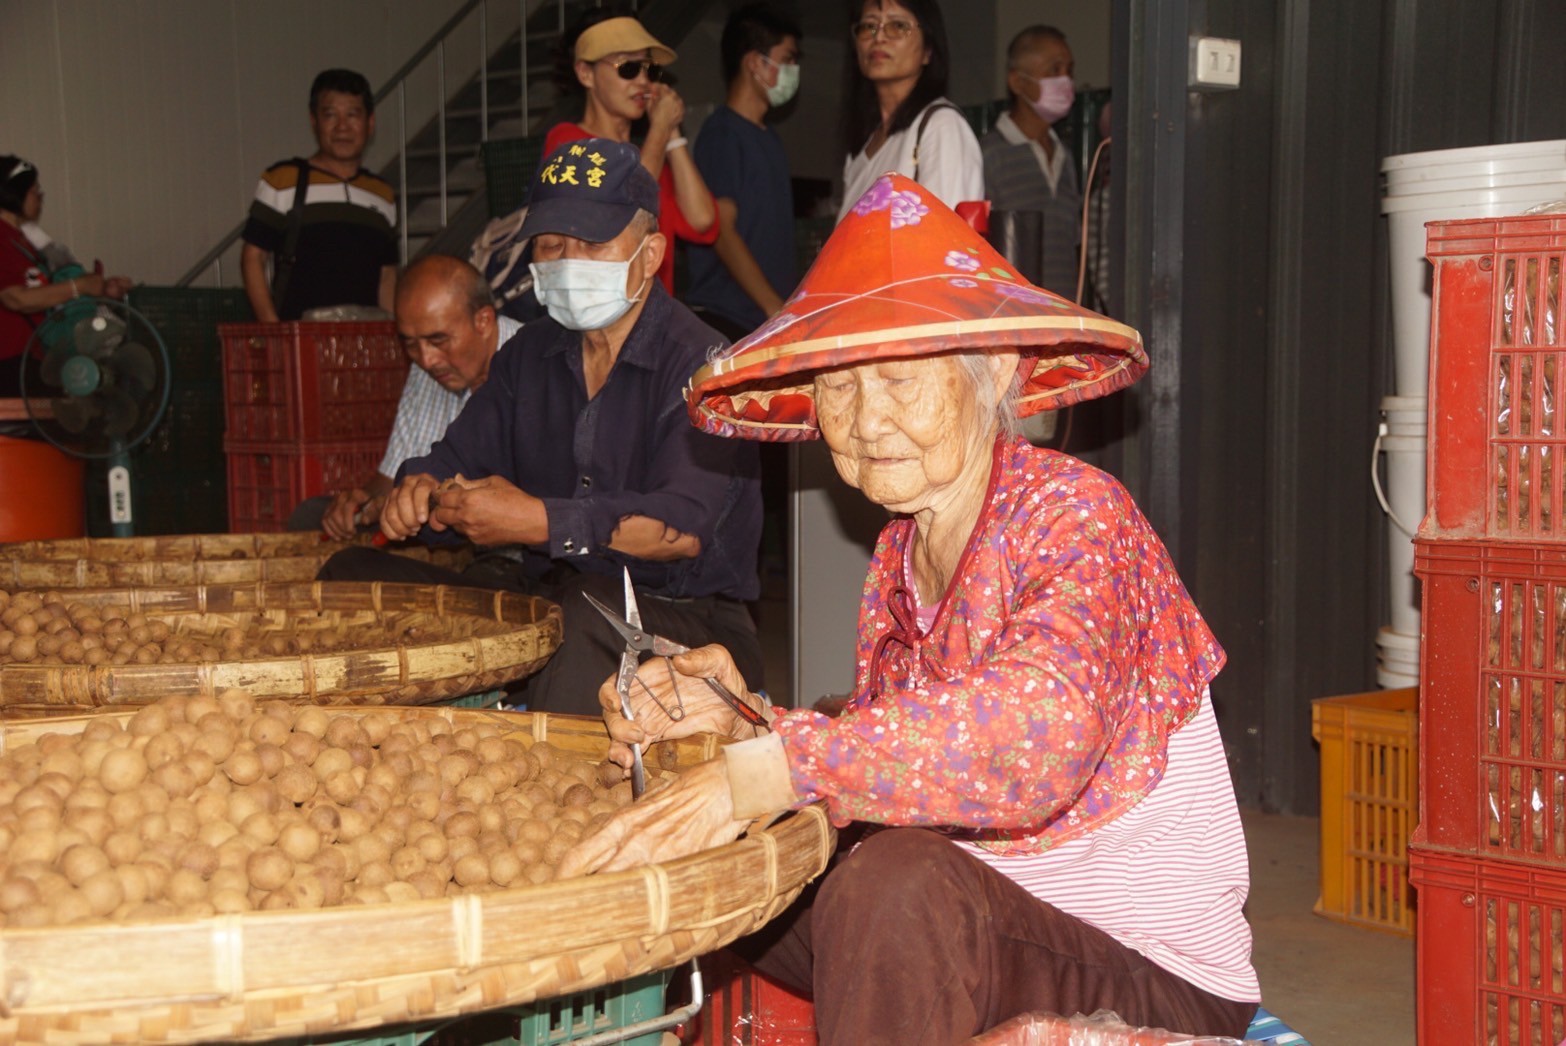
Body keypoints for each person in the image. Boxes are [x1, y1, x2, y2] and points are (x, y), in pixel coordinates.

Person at [561, 174, 1260, 1044]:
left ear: (994, 369)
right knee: (719, 868)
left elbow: (1039, 730)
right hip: (981, 926)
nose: (867, 421)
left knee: (893, 882)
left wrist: (771, 769)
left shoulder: (1077, 511)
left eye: (900, 379)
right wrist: (745, 725)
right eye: (839, 388)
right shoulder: (901, 553)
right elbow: (904, 757)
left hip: (1144, 969)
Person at [317, 139, 764, 719]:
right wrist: (420, 490)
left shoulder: (703, 363)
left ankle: (541, 786)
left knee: (585, 610)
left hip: (688, 617)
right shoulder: (529, 354)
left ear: (651, 254)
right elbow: (456, 458)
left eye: (594, 243)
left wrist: (536, 520)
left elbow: (678, 533)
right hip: (550, 595)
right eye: (553, 244)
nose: (568, 259)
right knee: (350, 576)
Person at [288, 255, 521, 537]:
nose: (427, 359)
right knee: (312, 515)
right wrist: (361, 499)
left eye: (438, 340)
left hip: (507, 542)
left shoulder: (531, 362)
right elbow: (392, 478)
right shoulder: (427, 372)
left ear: (483, 321)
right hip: (435, 522)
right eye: (411, 344)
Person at [545, 10, 717, 295]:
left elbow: (702, 220)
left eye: (649, 70)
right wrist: (660, 129)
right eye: (628, 68)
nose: (642, 81)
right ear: (586, 73)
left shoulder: (651, 151)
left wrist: (672, 134)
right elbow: (622, 209)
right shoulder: (566, 142)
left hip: (655, 316)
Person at [241, 69, 398, 323]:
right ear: (314, 122)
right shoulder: (283, 180)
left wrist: (392, 338)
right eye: (330, 115)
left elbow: (387, 275)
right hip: (300, 346)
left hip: (365, 349)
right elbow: (252, 258)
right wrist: (275, 330)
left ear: (370, 124)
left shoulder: (383, 194)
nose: (342, 127)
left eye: (352, 115)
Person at [684, 4, 802, 341]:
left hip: (761, 321)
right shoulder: (723, 134)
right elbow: (721, 227)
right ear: (755, 62)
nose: (794, 69)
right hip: (728, 320)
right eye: (788, 58)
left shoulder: (769, 138)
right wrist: (772, 307)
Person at [837, 0, 982, 223]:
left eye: (897, 26)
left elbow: (944, 243)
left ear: (928, 51)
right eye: (868, 27)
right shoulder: (860, 146)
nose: (879, 38)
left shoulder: (942, 126)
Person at [0, 157, 132, 398]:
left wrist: (99, 290)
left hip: (35, 359)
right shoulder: (3, 240)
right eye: (33, 190)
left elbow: (47, 294)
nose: (39, 197)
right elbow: (16, 298)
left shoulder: (26, 243)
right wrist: (78, 286)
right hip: (9, 364)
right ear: (13, 193)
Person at [981, 26, 1082, 298]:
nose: (1065, 80)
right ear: (1017, 82)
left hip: (1064, 319)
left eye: (1069, 70)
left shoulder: (1065, 157)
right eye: (1053, 70)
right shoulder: (988, 156)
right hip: (1014, 318)